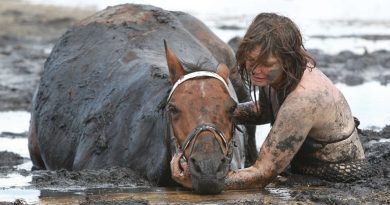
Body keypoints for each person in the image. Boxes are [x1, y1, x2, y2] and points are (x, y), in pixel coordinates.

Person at [171, 12, 369, 190]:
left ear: (288, 59)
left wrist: (199, 179)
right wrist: (217, 113)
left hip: (337, 175)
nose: (256, 70)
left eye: (267, 64)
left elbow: (262, 173)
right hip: (302, 166)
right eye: (251, 61)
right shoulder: (275, 76)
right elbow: (264, 111)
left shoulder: (303, 100)